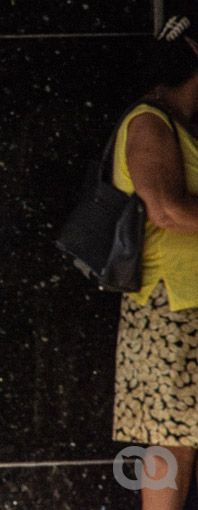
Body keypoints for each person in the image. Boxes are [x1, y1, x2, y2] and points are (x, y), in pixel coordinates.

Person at [111, 14, 198, 510]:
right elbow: (164, 208)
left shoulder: (178, 123)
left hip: (186, 304)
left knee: (179, 435)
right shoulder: (149, 121)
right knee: (169, 438)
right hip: (168, 305)